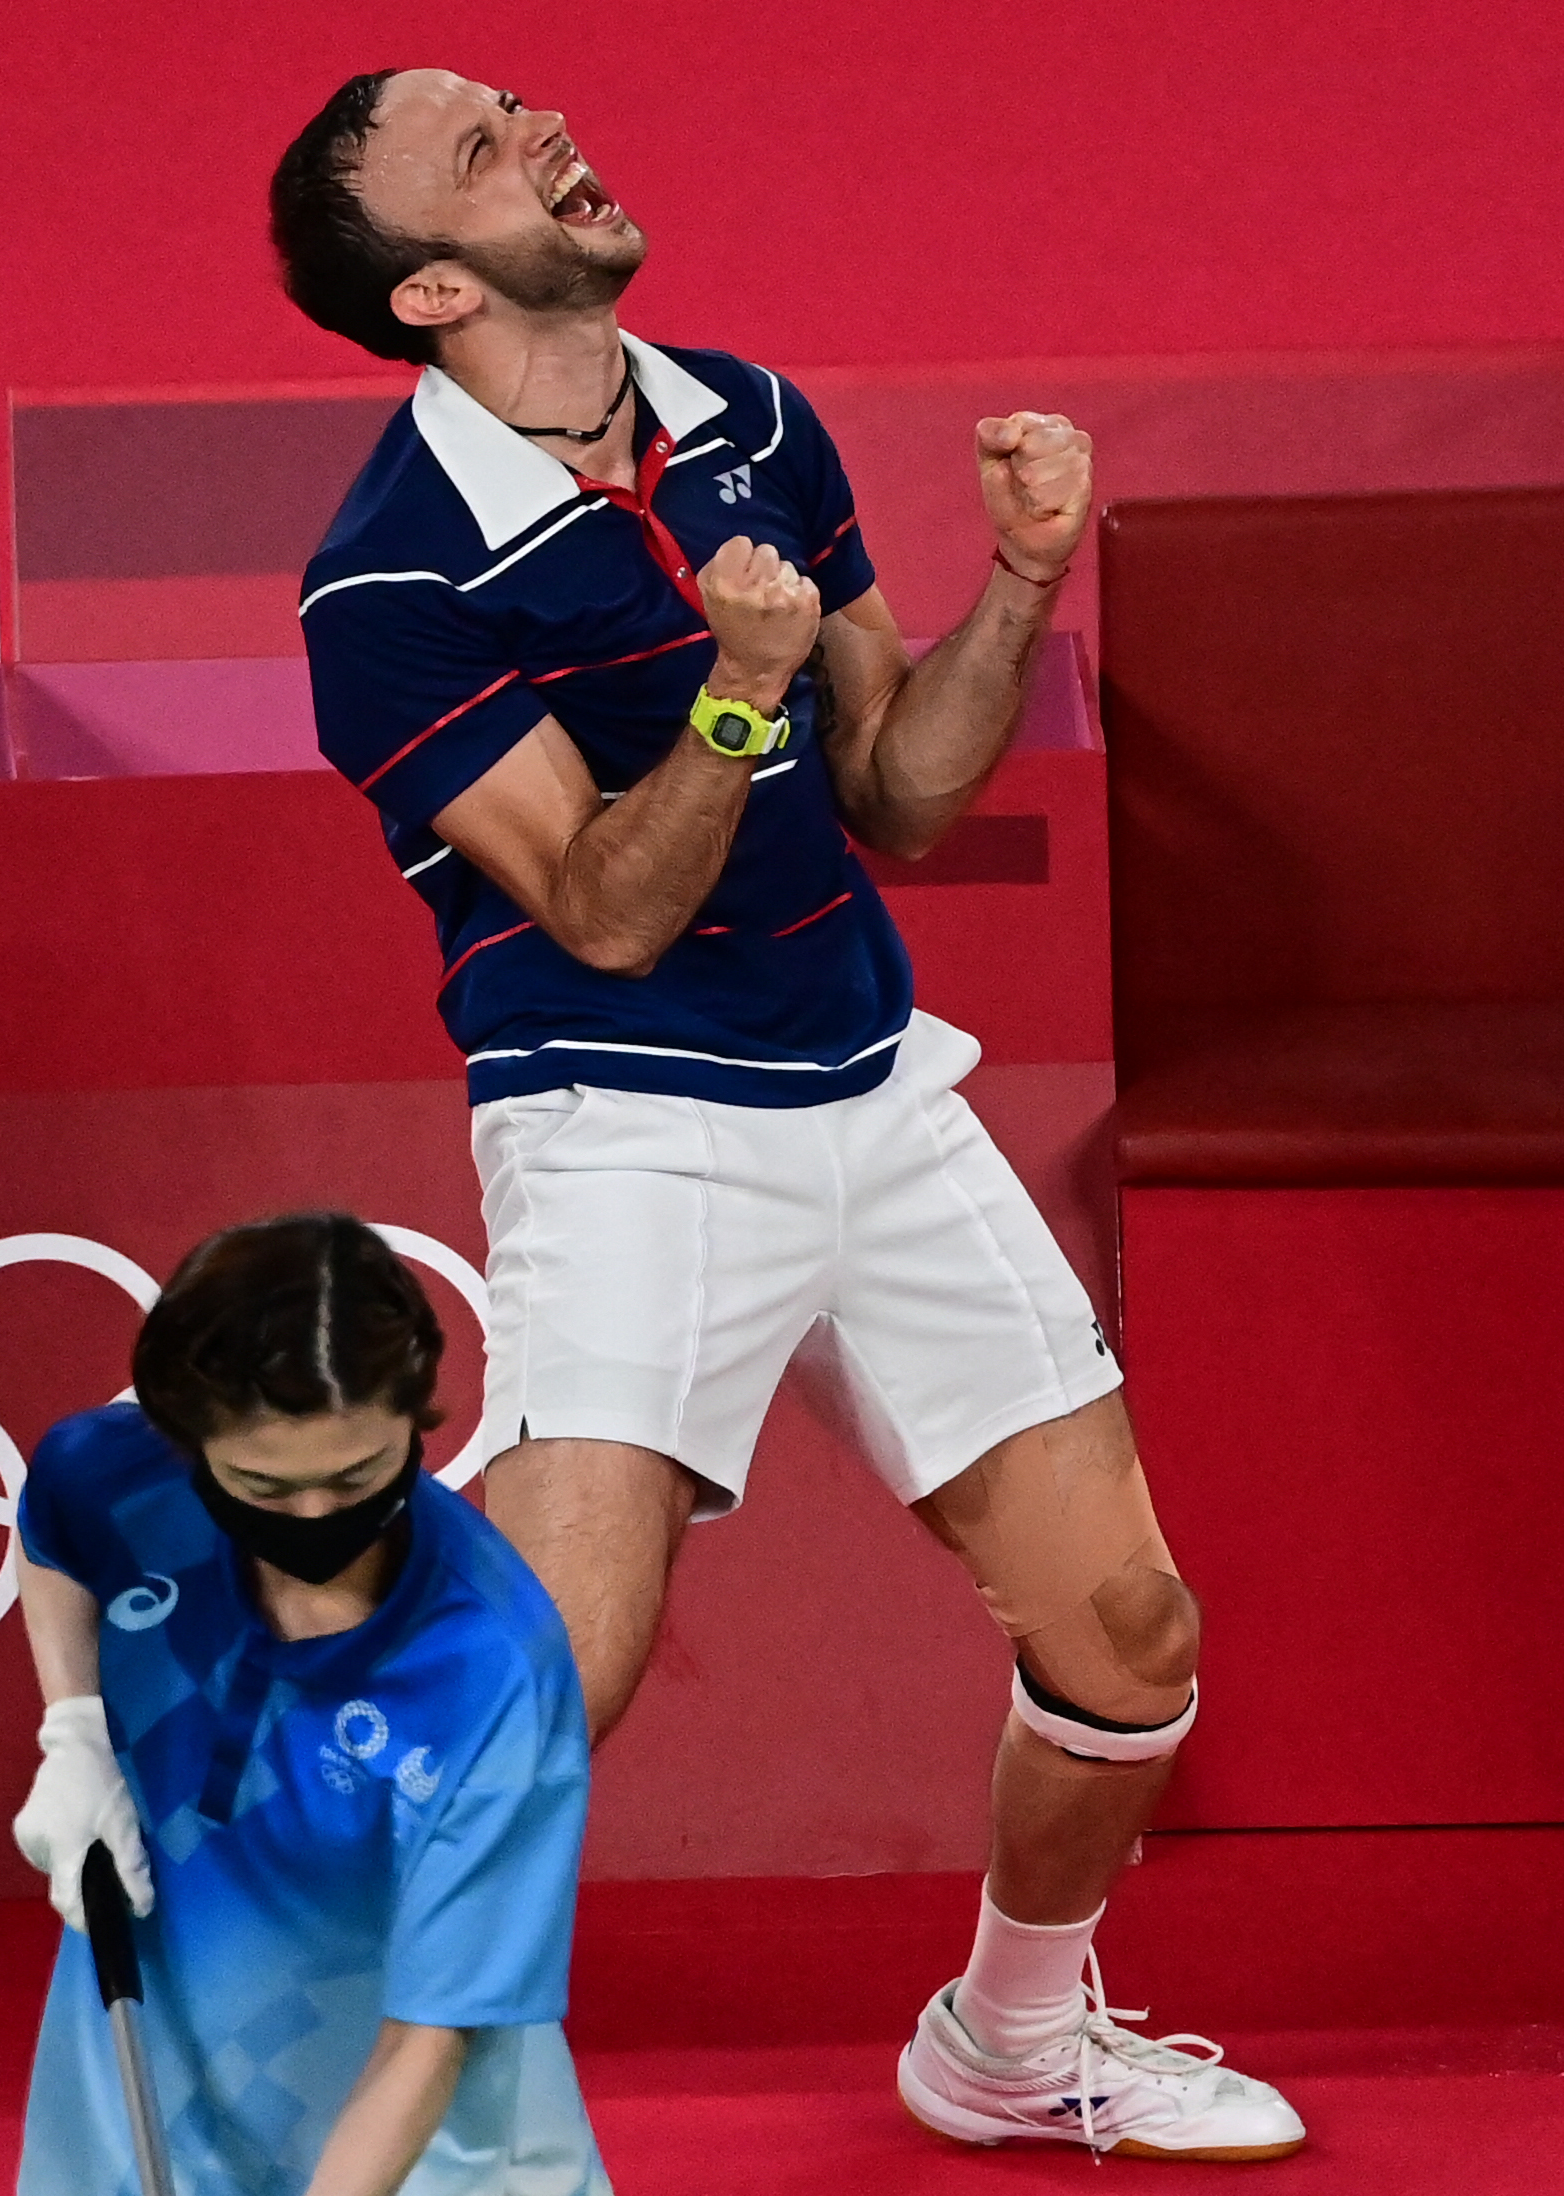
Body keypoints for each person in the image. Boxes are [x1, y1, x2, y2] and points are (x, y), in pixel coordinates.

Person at [266, 71, 1304, 2165]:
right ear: (439, 290)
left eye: (512, 101)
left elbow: (905, 792)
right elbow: (605, 914)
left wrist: (1016, 587)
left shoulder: (745, 412)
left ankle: (1006, 2046)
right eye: (474, 150)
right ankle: (325, 2094)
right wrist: (733, 696)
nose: (540, 125)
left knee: (1129, 1637)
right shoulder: (387, 586)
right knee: (558, 1679)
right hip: (625, 1123)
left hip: (871, 1094)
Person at [7, 1213, 606, 2196]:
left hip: (416, 2139)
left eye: (356, 1475)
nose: (317, 1517)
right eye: (263, 1486)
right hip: (149, 2078)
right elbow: (53, 1524)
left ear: (418, 1417)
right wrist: (71, 1731)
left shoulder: (492, 1670)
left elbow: (430, 2036)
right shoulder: (125, 1475)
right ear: (191, 1443)